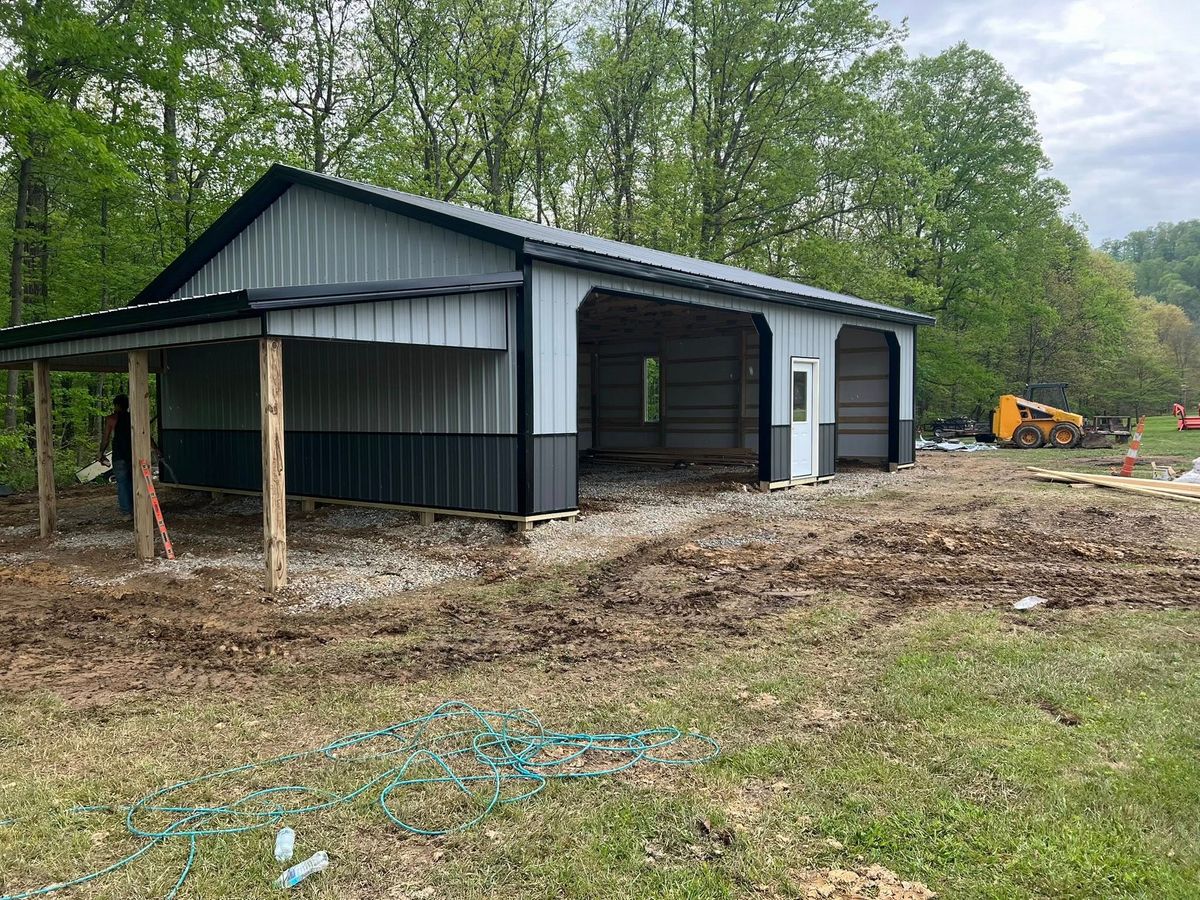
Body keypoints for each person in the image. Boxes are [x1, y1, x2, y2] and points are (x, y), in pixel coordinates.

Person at [98, 394, 133, 518]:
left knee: (122, 483)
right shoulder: (133, 418)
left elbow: (105, 438)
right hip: (133, 455)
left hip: (119, 456)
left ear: (117, 405)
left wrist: (100, 453)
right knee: (133, 482)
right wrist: (156, 449)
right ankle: (136, 508)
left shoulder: (112, 419)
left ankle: (127, 512)